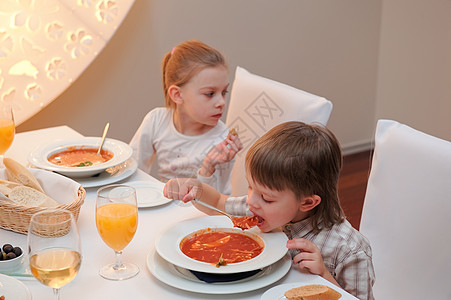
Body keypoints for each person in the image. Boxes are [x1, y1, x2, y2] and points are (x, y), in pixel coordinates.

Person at [163, 121, 375, 300]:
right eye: (250, 186)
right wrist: (194, 187)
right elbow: (217, 201)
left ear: (308, 203)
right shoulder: (256, 210)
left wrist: (324, 277)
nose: (251, 201)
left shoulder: (348, 250)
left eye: (266, 197)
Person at [130, 40, 242, 195]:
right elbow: (132, 170)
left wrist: (208, 167)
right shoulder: (156, 121)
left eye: (224, 92)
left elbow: (216, 205)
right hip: (166, 206)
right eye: (210, 94)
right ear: (177, 95)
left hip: (205, 213)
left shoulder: (222, 140)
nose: (221, 102)